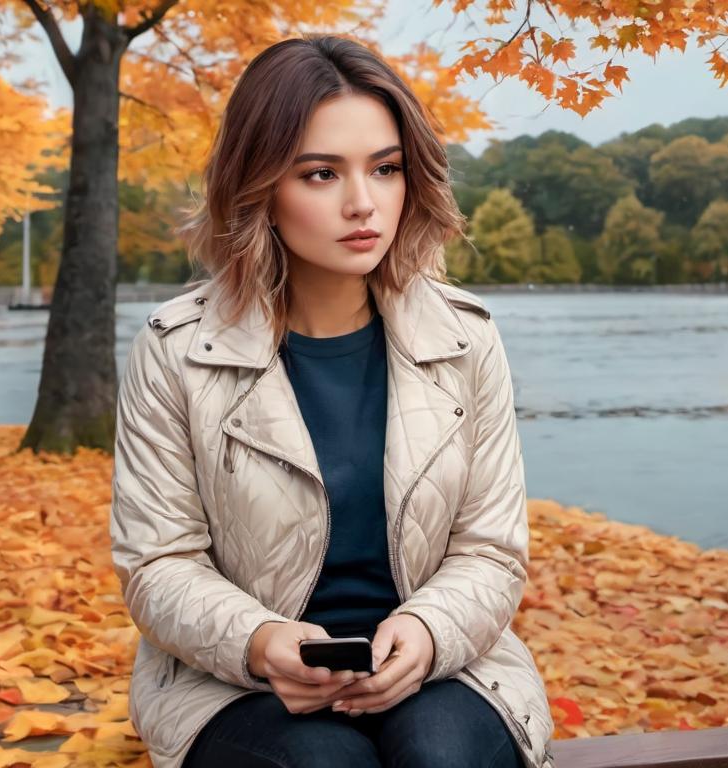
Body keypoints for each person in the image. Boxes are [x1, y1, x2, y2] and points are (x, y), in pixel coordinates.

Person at [110, 35, 554, 768]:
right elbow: (158, 564)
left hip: (447, 667)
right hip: (238, 686)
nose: (363, 203)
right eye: (321, 173)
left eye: (385, 169)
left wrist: (430, 634)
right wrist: (259, 644)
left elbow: (491, 550)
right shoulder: (176, 350)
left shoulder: (464, 338)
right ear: (260, 187)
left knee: (439, 758)